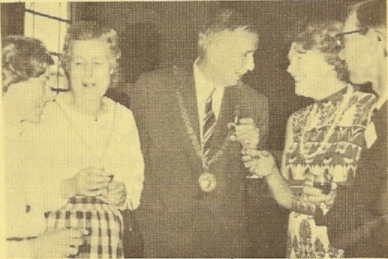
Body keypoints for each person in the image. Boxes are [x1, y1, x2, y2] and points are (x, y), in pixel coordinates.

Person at [129, 8, 276, 258]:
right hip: (162, 241)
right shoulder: (153, 88)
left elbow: (256, 190)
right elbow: (132, 163)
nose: (251, 66)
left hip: (227, 245)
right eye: (245, 55)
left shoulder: (255, 104)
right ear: (215, 48)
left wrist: (252, 153)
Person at [242, 19, 377, 258]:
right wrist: (270, 171)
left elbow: (377, 204)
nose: (290, 69)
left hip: (350, 248)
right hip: (300, 249)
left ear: (330, 59)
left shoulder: (370, 111)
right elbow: (290, 200)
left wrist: (336, 198)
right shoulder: (296, 121)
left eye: (299, 59)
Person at [25, 21, 144, 258]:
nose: (89, 73)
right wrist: (70, 186)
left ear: (112, 68)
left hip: (108, 241)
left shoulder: (123, 117)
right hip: (56, 238)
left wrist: (122, 193)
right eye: (79, 63)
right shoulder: (46, 113)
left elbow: (135, 183)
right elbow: (25, 190)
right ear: (67, 66)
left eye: (98, 63)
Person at [308, 0, 387, 257]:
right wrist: (337, 201)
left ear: (377, 39)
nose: (341, 54)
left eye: (346, 39)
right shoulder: (377, 113)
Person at [3, 35, 88, 258]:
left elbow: (28, 202)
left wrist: (72, 186)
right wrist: (33, 249)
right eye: (43, 84)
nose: (51, 96)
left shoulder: (20, 137)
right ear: (10, 83)